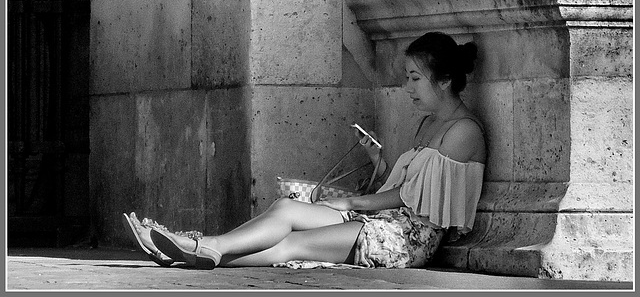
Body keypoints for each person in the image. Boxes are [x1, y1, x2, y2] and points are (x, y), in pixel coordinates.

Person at [123, 31, 486, 269]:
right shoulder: (428, 124)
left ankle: (194, 249)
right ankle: (199, 247)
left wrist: (350, 203)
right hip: (382, 220)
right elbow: (408, 187)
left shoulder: (464, 131)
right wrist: (379, 161)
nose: (407, 87)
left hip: (408, 239)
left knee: (294, 244)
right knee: (285, 209)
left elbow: (412, 200)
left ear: (445, 80)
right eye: (407, 77)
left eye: (415, 79)